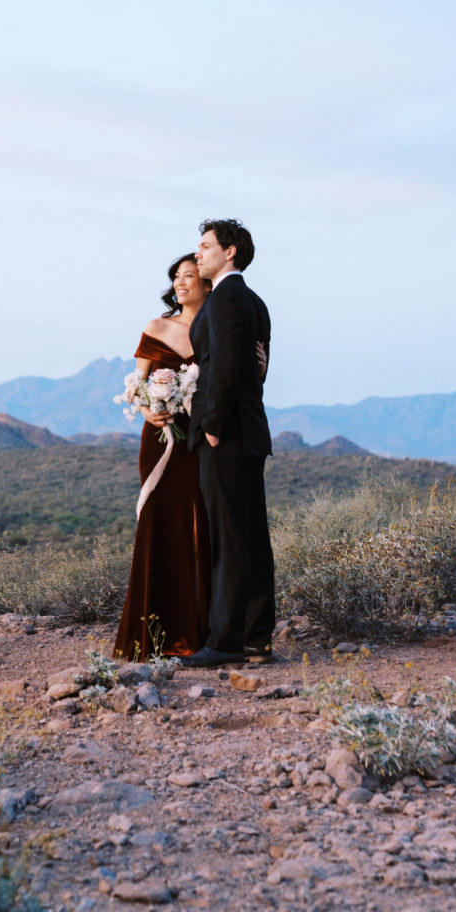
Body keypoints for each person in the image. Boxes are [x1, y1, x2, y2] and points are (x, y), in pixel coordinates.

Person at [180, 218, 275, 670]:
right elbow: (258, 368)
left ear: (230, 251)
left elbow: (224, 370)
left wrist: (213, 424)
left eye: (205, 246)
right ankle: (257, 638)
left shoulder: (221, 301)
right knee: (253, 536)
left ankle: (225, 641)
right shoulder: (255, 302)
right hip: (252, 432)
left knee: (229, 539)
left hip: (226, 435)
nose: (198, 254)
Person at [112, 254, 212, 660]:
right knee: (158, 526)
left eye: (190, 276)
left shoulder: (214, 330)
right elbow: (136, 386)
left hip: (200, 442)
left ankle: (196, 633)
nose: (181, 282)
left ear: (207, 283)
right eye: (176, 277)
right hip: (160, 439)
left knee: (197, 527)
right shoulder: (157, 327)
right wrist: (147, 410)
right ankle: (150, 635)